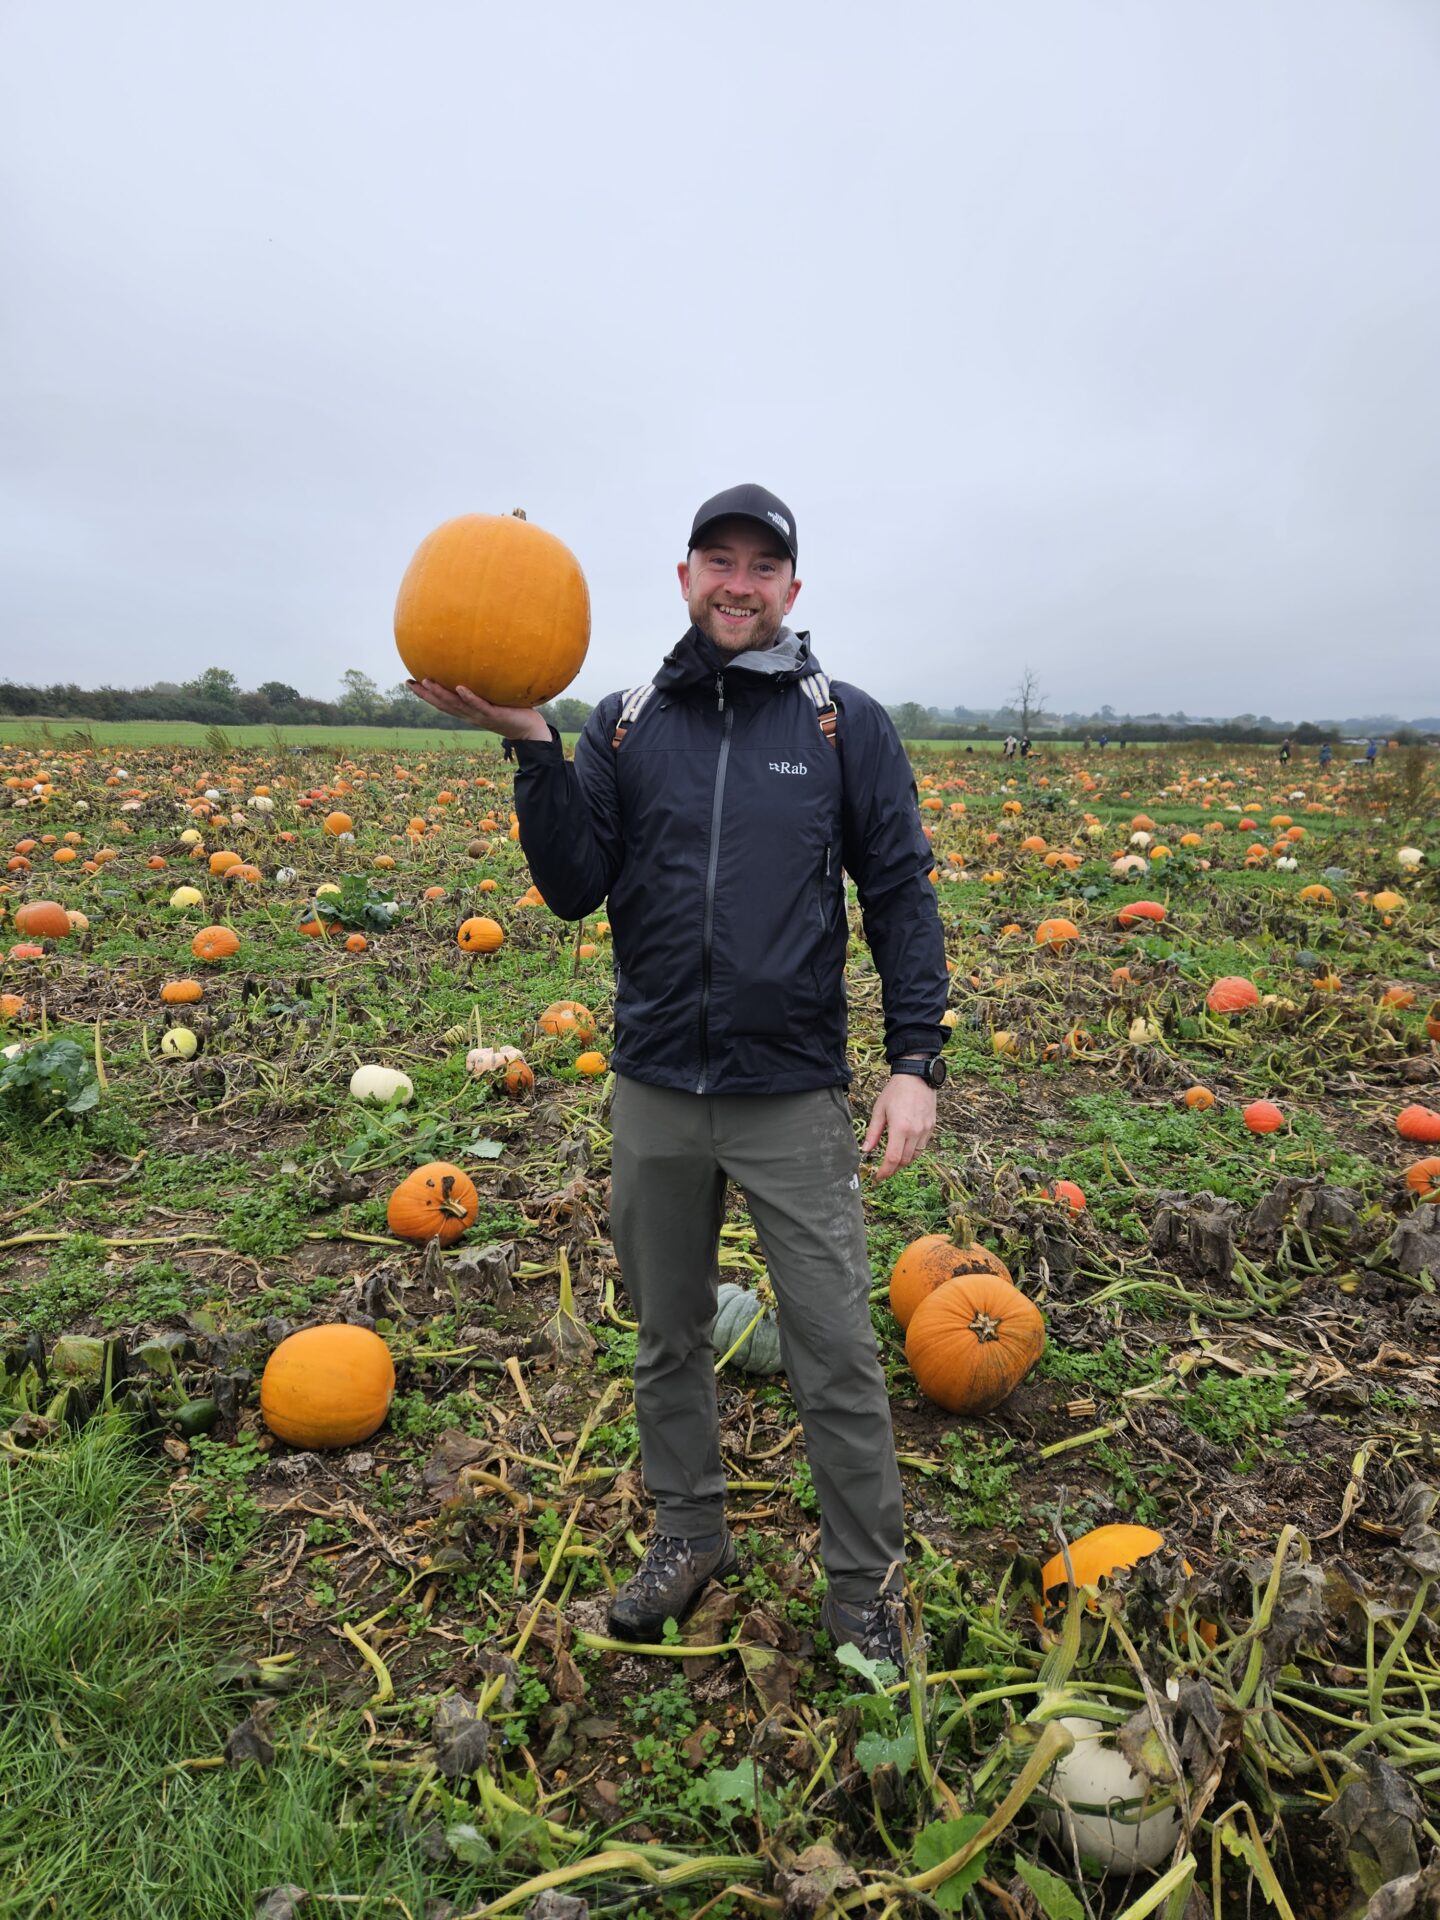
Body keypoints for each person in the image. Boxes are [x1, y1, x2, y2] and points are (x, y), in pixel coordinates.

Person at [407, 484, 948, 1670]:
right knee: (666, 1332)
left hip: (791, 1093)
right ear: (686, 575)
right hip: (653, 1083)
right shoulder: (623, 720)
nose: (739, 582)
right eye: (720, 559)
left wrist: (916, 1063)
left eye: (764, 566)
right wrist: (534, 748)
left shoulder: (839, 724)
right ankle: (688, 1535)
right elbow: (571, 884)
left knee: (836, 1349)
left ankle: (863, 1589)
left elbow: (900, 892)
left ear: (792, 592)